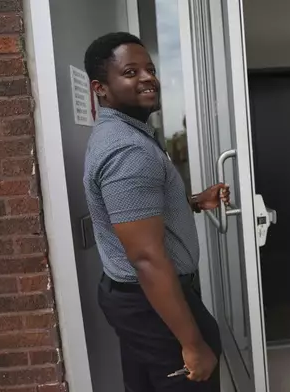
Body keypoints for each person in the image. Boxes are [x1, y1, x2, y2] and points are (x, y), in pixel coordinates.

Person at [83, 32, 226, 391]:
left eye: (149, 68)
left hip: (137, 299)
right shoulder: (128, 151)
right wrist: (192, 346)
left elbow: (135, 213)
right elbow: (146, 257)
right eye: (130, 72)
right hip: (151, 303)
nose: (148, 77)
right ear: (101, 88)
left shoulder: (125, 133)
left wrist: (193, 202)